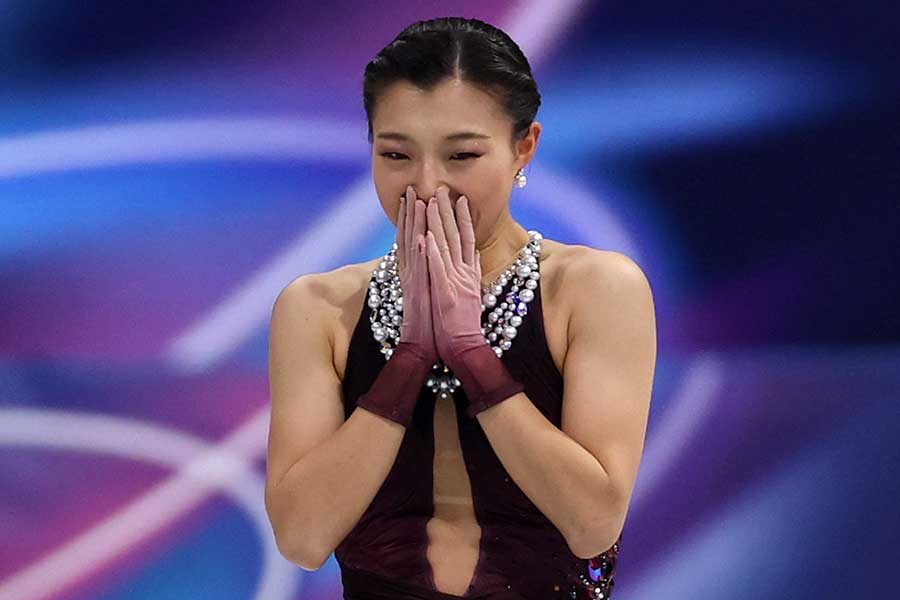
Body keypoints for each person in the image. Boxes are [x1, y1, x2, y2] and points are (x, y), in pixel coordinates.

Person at [265, 16, 656, 600]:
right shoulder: (319, 309)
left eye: (462, 156)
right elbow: (302, 538)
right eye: (396, 155)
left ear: (524, 147)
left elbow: (592, 522)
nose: (426, 187)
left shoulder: (594, 290)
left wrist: (473, 354)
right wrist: (408, 359)